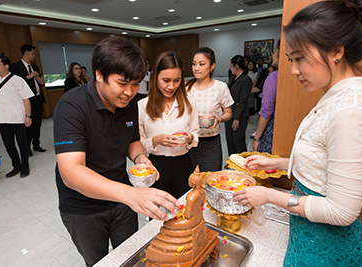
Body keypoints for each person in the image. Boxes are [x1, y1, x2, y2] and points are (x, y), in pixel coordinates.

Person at [233, 1, 362, 266]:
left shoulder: (350, 110)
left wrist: (270, 196)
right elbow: (324, 163)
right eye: (290, 60)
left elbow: (342, 211)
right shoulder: (334, 97)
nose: (294, 70)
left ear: (336, 52)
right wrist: (279, 163)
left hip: (328, 247)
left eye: (299, 59)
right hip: (309, 235)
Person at [53, 37, 180, 267]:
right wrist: (130, 195)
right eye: (122, 83)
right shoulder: (71, 106)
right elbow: (71, 171)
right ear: (99, 74)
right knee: (100, 261)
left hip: (121, 200)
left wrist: (140, 158)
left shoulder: (128, 103)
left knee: (131, 256)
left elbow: (132, 139)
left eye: (135, 84)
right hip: (83, 208)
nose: (129, 92)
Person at [138, 51, 199, 199]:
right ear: (154, 77)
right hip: (156, 166)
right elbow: (138, 144)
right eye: (166, 80)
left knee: (185, 210)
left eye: (177, 80)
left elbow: (196, 135)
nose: (171, 86)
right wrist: (155, 140)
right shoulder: (142, 106)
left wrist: (190, 137)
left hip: (183, 164)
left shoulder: (189, 103)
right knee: (157, 213)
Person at [0, 54, 34, 178]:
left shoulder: (18, 80)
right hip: (2, 118)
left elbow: (26, 99)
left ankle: (25, 167)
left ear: (6, 66)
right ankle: (16, 166)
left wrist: (28, 116)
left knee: (22, 143)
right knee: (8, 144)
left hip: (17, 117)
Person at [186, 47, 233, 172]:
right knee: (189, 182)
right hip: (189, 143)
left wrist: (219, 119)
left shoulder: (220, 87)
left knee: (210, 180)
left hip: (211, 144)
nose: (196, 68)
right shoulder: (186, 87)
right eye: (194, 64)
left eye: (201, 64)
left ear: (212, 66)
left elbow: (228, 113)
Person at [10, 44, 46, 156]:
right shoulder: (15, 67)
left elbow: (41, 83)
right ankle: (27, 146)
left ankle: (36, 144)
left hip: (38, 97)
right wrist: (28, 77)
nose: (34, 56)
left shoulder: (35, 67)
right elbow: (13, 83)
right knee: (31, 123)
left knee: (38, 123)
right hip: (26, 100)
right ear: (26, 52)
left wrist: (38, 78)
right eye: (33, 53)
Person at [252, 40, 280, 154]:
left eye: (275, 52)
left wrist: (257, 138)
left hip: (273, 130)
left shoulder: (274, 77)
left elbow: (267, 110)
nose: (272, 55)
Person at [225, 55, 253, 155]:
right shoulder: (233, 78)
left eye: (231, 66)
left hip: (239, 115)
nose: (230, 68)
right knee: (230, 139)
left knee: (238, 140)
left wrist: (237, 118)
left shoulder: (246, 80)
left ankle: (242, 162)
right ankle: (231, 160)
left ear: (236, 66)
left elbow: (243, 100)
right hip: (230, 113)